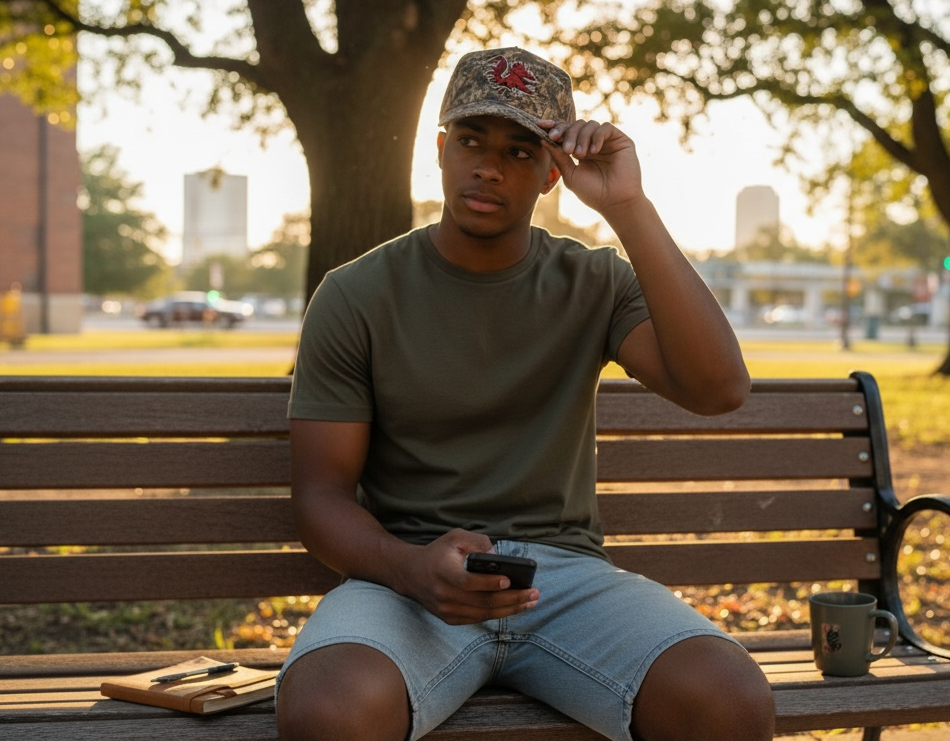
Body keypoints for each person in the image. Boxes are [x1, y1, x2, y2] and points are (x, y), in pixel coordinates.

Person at [276, 46, 775, 741]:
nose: (488, 165)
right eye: (473, 142)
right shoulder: (357, 294)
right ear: (443, 150)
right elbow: (321, 496)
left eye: (519, 150)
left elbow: (719, 388)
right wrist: (414, 570)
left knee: (728, 698)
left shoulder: (594, 282)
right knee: (328, 710)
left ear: (551, 174)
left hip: (563, 577)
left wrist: (628, 208)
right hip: (410, 578)